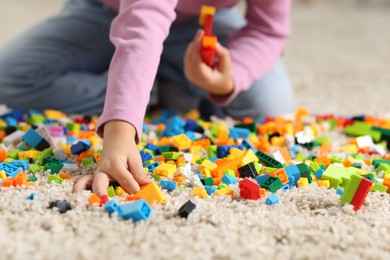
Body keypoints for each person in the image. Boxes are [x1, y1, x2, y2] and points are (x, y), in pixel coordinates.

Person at [0, 0, 293, 197]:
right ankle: (147, 89)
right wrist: (120, 131)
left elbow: (268, 29)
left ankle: (156, 79)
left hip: (206, 21)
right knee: (9, 75)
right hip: (108, 12)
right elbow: (143, 24)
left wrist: (228, 79)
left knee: (268, 105)